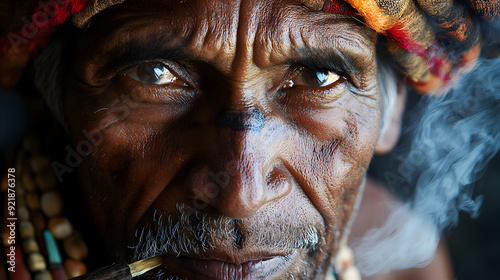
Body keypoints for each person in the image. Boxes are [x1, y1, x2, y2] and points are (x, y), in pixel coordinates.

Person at [0, 0, 498, 279]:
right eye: (154, 75)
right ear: (53, 101)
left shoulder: (401, 266)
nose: (241, 194)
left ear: (390, 115)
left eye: (319, 78)